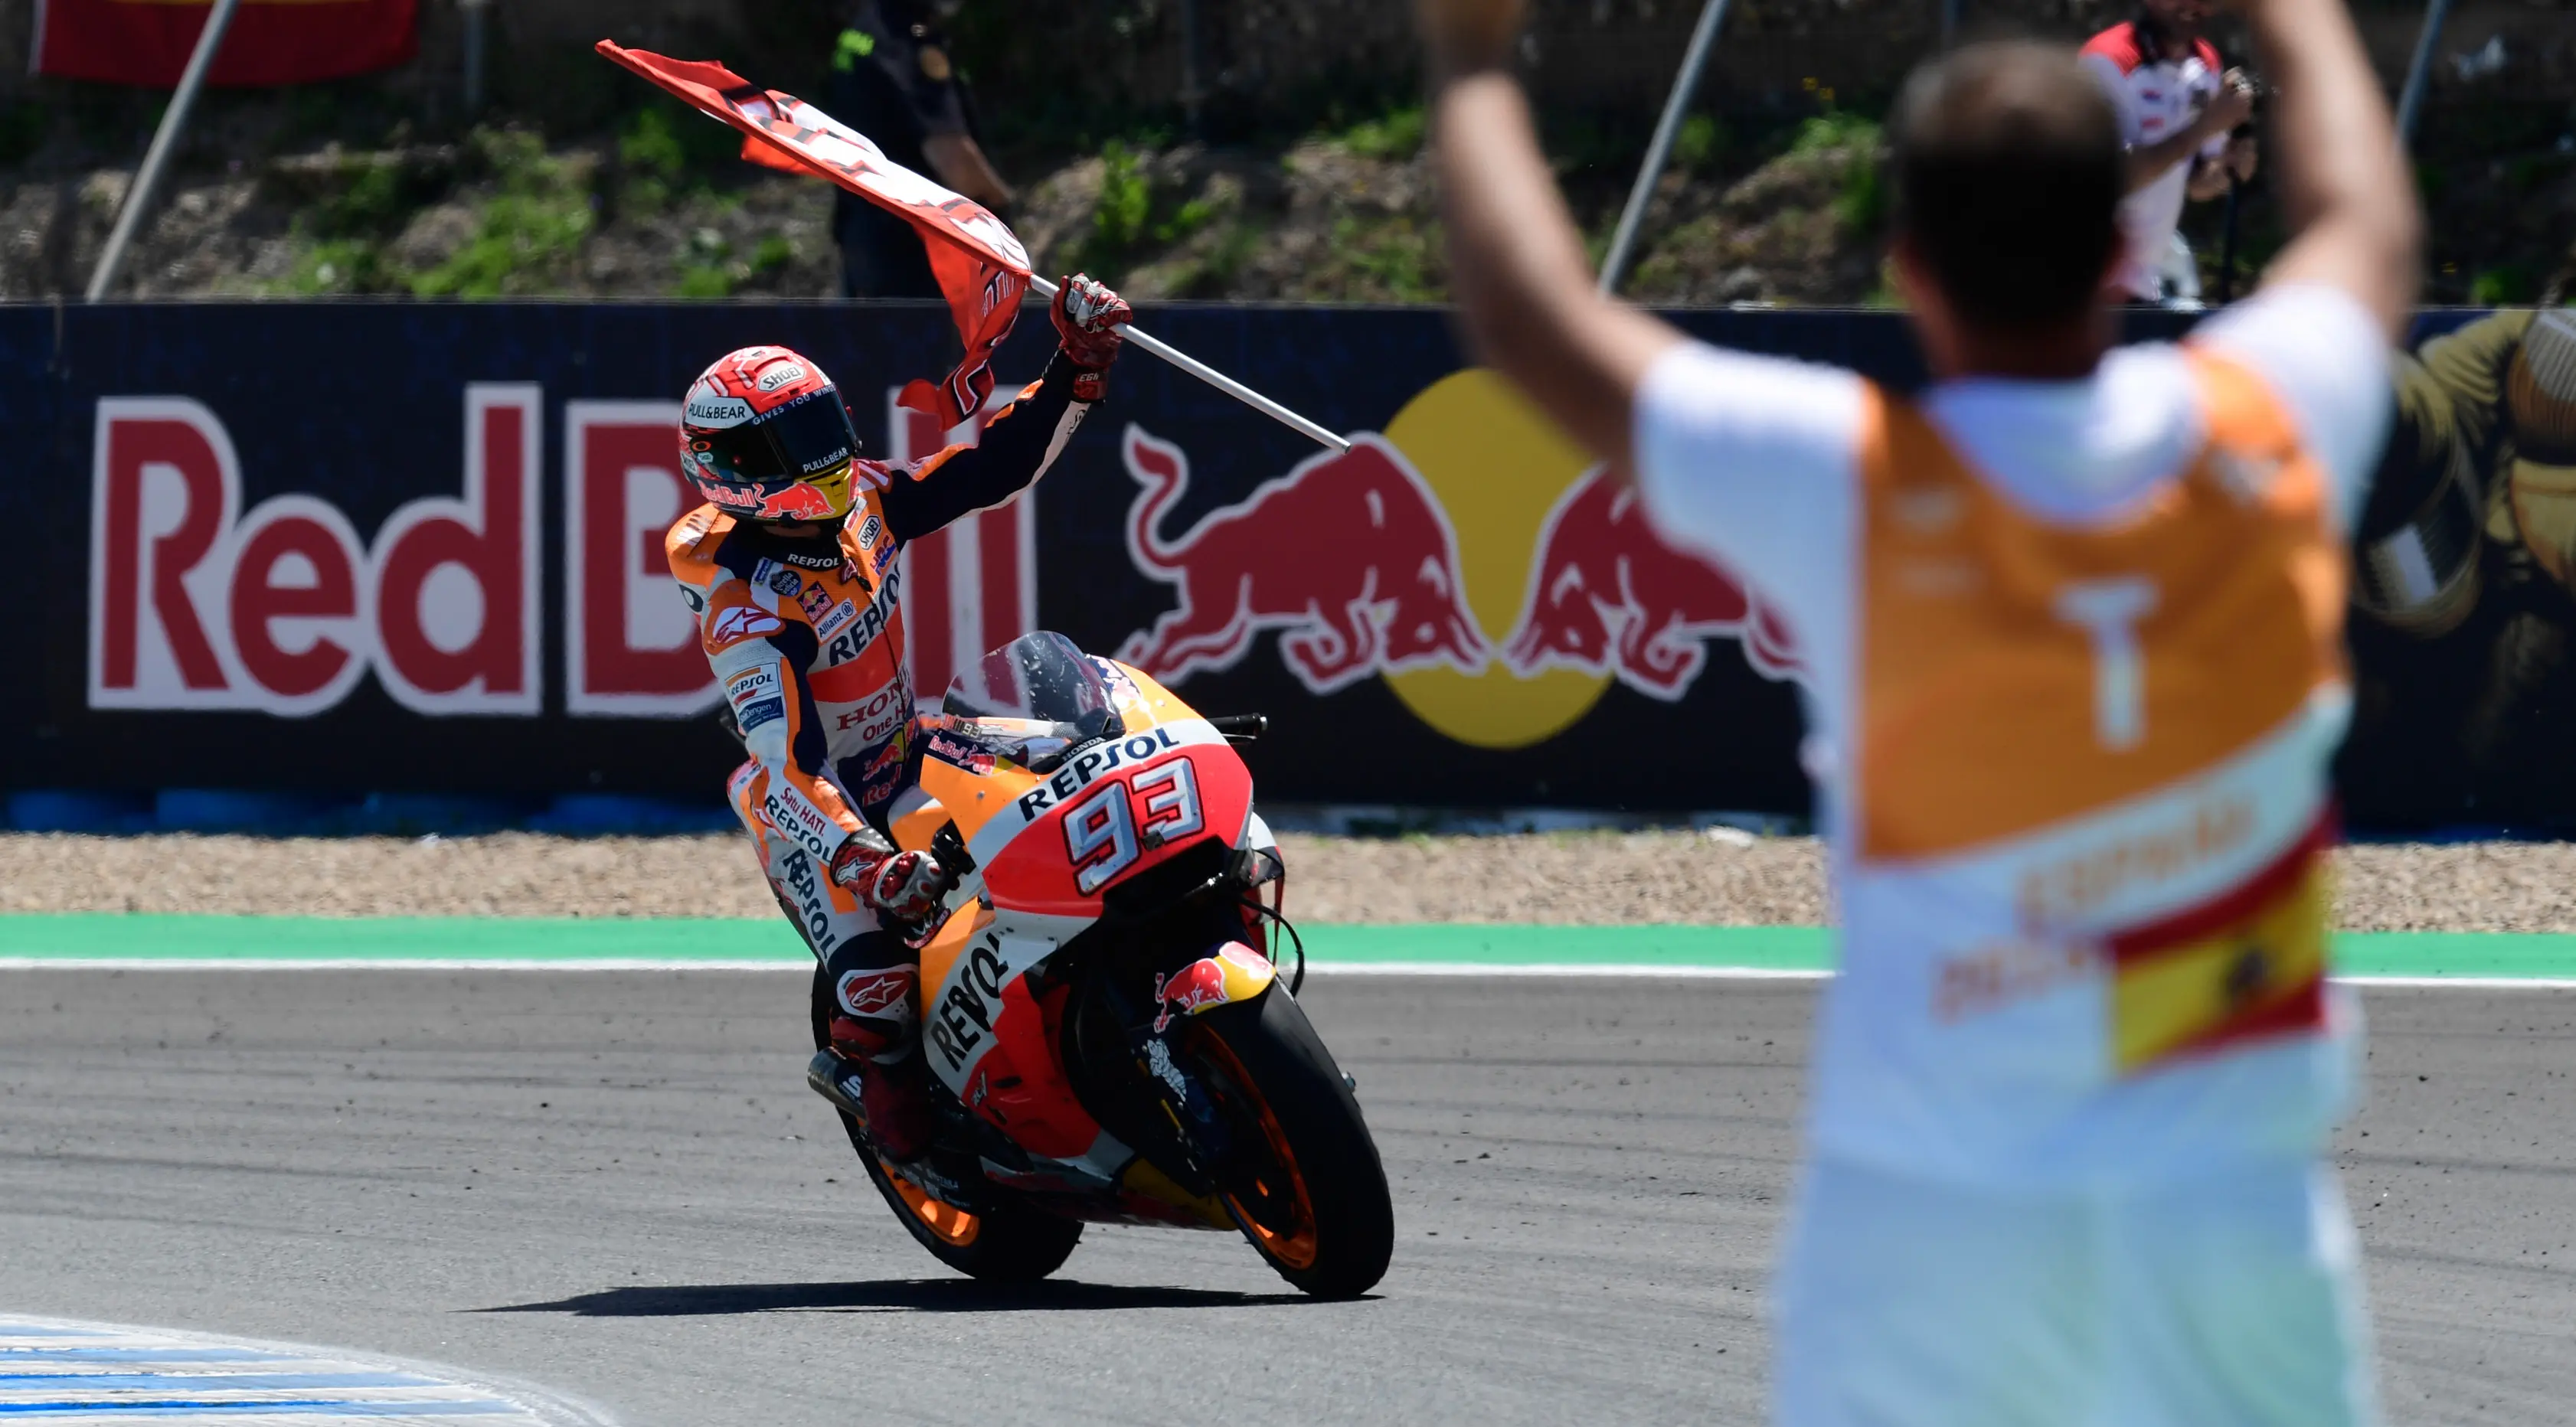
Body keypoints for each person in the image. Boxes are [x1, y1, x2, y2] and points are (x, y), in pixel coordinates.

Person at [1414, 0, 2417, 1419]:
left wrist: (1466, 52)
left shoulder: (1855, 481)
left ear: (1906, 272)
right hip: (2231, 1225)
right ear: (2114, 254)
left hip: (1928, 1237)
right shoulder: (2267, 425)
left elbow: (1532, 321)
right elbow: (2365, 225)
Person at [666, 275, 1132, 1160]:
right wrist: (864, 862)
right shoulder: (746, 602)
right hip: (814, 807)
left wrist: (1076, 363)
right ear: (735, 470)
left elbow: (991, 469)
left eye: (824, 425)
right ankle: (877, 1085)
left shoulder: (864, 504)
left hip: (907, 747)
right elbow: (783, 764)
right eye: (793, 441)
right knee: (879, 987)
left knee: (1082, 778)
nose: (826, 453)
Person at [825, 0, 1015, 298]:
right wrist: (1003, 207)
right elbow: (952, 157)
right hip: (924, 257)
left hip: (864, 241)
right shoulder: (908, 43)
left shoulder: (861, 34)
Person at [2080, 0, 2261, 303]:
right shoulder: (2107, 59)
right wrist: (2204, 126)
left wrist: (2232, 166)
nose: (2194, 5)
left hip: (2145, 281)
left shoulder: (2205, 63)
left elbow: (2199, 185)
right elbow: (2113, 180)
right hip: (2088, 279)